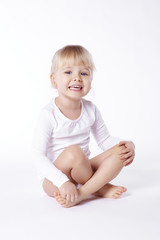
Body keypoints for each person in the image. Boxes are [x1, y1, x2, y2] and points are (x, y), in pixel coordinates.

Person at [32, 45, 135, 208]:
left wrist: (127, 144)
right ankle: (99, 188)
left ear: (91, 80)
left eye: (84, 73)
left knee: (121, 151)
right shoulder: (48, 114)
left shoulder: (90, 109)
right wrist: (63, 182)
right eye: (68, 72)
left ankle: (83, 193)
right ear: (53, 79)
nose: (77, 78)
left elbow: (105, 140)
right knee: (74, 152)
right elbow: (38, 156)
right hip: (54, 181)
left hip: (82, 170)